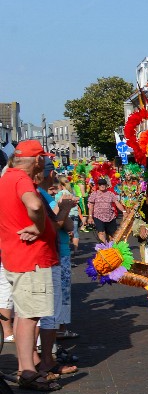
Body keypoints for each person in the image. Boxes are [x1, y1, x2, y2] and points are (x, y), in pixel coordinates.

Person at [0, 140, 66, 391]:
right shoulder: (20, 180)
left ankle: (24, 366)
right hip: (31, 258)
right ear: (38, 160)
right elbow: (35, 205)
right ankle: (27, 371)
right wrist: (39, 228)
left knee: (22, 314)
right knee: (29, 316)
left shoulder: (6, 177)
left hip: (16, 256)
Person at [37, 159, 77, 377]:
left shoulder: (45, 195)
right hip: (51, 254)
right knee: (49, 310)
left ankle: (47, 355)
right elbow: (58, 225)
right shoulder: (40, 195)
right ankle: (46, 358)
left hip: (56, 253)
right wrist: (65, 208)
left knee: (54, 307)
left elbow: (66, 225)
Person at [86, 177, 124, 244]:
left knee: (113, 235)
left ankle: (112, 248)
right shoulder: (94, 194)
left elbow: (117, 203)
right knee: (101, 232)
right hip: (98, 216)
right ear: (98, 185)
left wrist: (124, 211)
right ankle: (104, 248)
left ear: (106, 185)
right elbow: (91, 206)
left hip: (110, 217)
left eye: (104, 184)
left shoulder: (110, 194)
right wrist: (90, 217)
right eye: (100, 184)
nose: (102, 186)